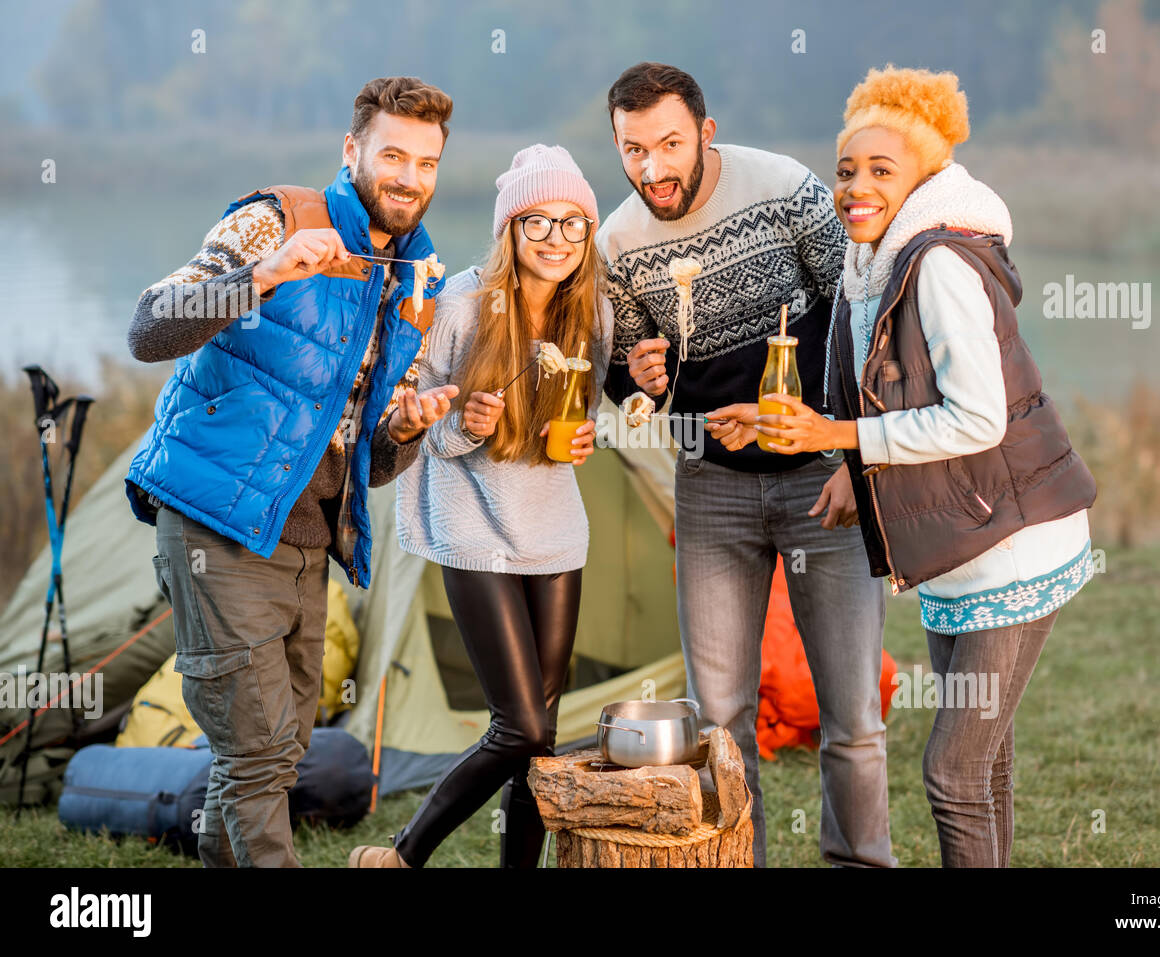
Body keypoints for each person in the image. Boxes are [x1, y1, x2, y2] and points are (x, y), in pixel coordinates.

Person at [711, 66, 1098, 867]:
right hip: (956, 544)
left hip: (1010, 542)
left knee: (952, 772)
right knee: (982, 763)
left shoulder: (939, 265)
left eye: (881, 171)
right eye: (847, 169)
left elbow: (978, 418)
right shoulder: (873, 266)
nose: (856, 186)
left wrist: (850, 443)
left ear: (924, 175)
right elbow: (886, 404)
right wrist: (850, 468)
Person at [124, 76, 459, 867]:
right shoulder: (275, 219)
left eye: (428, 161)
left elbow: (370, 459)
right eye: (393, 154)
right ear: (353, 151)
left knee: (273, 750)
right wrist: (265, 274)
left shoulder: (417, 282)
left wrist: (404, 430)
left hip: (310, 541)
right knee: (257, 756)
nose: (410, 176)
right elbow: (147, 328)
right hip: (216, 522)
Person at [598, 62, 894, 868]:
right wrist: (641, 376)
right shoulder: (615, 243)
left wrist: (846, 452)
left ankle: (860, 860)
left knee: (853, 713)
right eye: (633, 150)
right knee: (720, 718)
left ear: (705, 132)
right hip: (710, 490)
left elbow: (861, 313)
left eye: (668, 144)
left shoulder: (786, 189)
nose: (652, 168)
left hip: (816, 478)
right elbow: (622, 375)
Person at [347, 145, 610, 868]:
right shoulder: (460, 306)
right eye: (538, 222)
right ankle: (401, 855)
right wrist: (464, 425)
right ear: (509, 229)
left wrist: (588, 433)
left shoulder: (592, 309)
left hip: (554, 530)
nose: (557, 239)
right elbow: (407, 429)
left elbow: (593, 406)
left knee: (543, 738)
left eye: (572, 223)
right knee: (521, 723)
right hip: (470, 526)